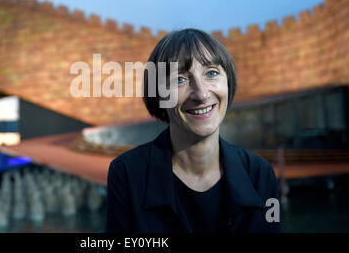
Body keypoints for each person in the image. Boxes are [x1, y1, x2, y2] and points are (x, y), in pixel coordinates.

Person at [105, 28, 281, 233]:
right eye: (180, 79)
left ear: (229, 82)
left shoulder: (261, 175)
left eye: (211, 73)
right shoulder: (127, 174)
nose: (201, 94)